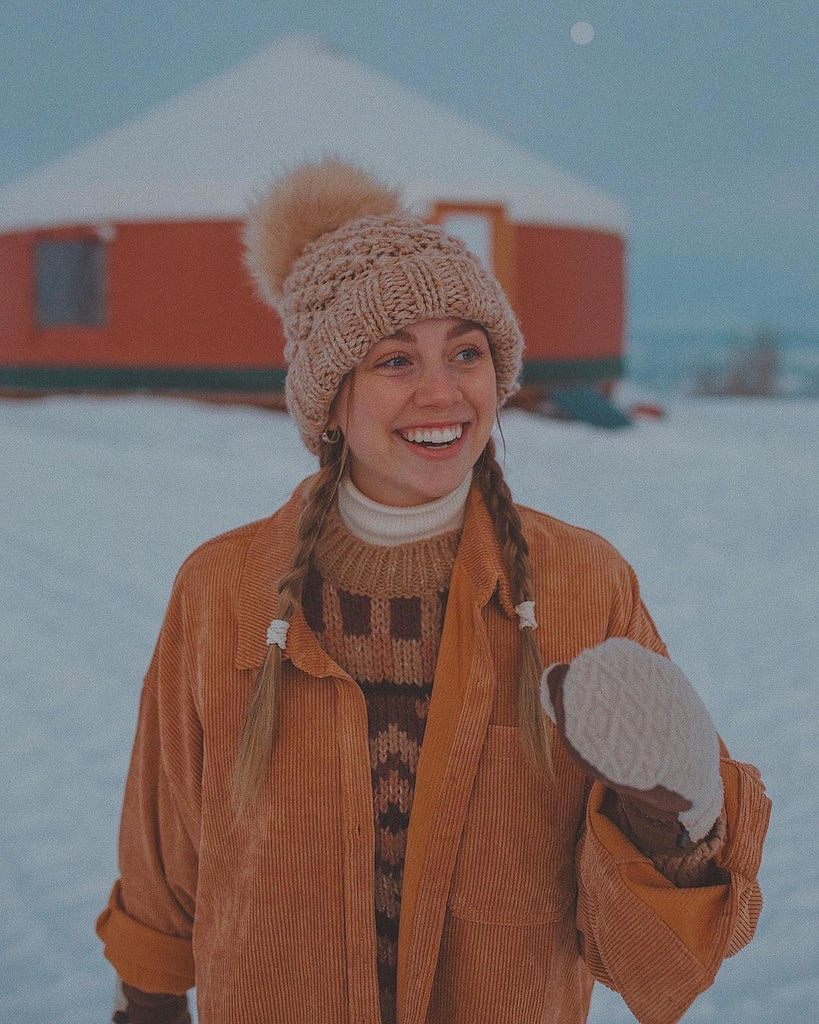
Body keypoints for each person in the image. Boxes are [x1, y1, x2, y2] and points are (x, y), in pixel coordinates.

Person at [97, 158, 771, 1024]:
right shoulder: (223, 588)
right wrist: (147, 1001)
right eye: (393, 359)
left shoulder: (579, 582)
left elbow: (656, 967)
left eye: (466, 351)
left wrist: (670, 817)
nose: (443, 391)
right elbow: (165, 842)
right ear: (329, 400)